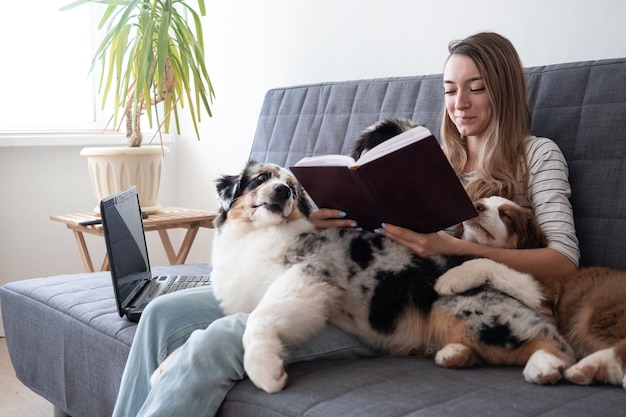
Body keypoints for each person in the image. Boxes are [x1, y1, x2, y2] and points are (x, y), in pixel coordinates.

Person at [112, 31, 580, 417]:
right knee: (161, 315)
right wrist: (314, 218)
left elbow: (564, 260)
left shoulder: (537, 155)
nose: (460, 103)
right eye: (450, 89)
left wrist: (454, 248)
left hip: (383, 305)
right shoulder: (433, 156)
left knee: (215, 342)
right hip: (338, 266)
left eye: (475, 87)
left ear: (504, 87)